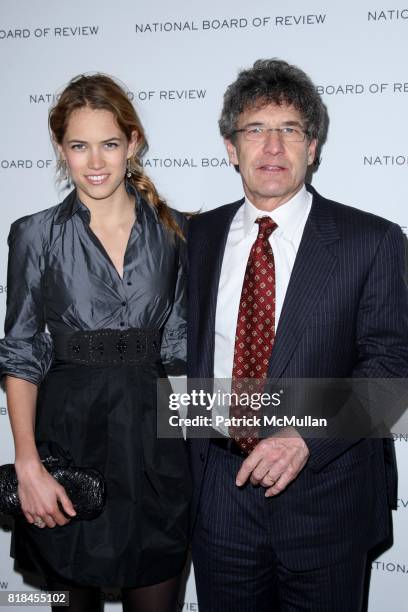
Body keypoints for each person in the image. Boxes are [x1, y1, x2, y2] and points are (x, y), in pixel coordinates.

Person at [187, 59, 408, 611]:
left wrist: (305, 436)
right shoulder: (195, 236)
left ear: (313, 147)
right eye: (255, 130)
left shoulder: (371, 240)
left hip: (328, 497)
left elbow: (390, 371)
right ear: (230, 147)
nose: (272, 147)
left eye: (289, 130)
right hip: (219, 496)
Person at [0, 74, 191, 612]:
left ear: (133, 143)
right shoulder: (34, 234)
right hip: (66, 441)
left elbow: (179, 348)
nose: (96, 161)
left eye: (109, 143)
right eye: (79, 146)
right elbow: (20, 353)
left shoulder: (175, 231)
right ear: (61, 149)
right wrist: (28, 467)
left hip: (155, 447)